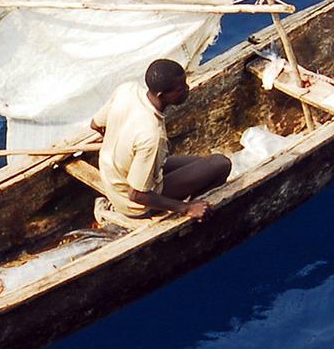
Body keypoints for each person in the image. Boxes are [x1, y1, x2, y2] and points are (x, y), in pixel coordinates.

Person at [88, 59, 231, 226]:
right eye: (180, 89)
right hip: (132, 205)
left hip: (112, 177)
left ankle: (189, 201)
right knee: (221, 164)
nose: (187, 88)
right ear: (162, 95)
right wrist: (185, 208)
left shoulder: (127, 91)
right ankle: (195, 212)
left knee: (202, 164)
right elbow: (136, 195)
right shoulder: (152, 135)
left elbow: (95, 124)